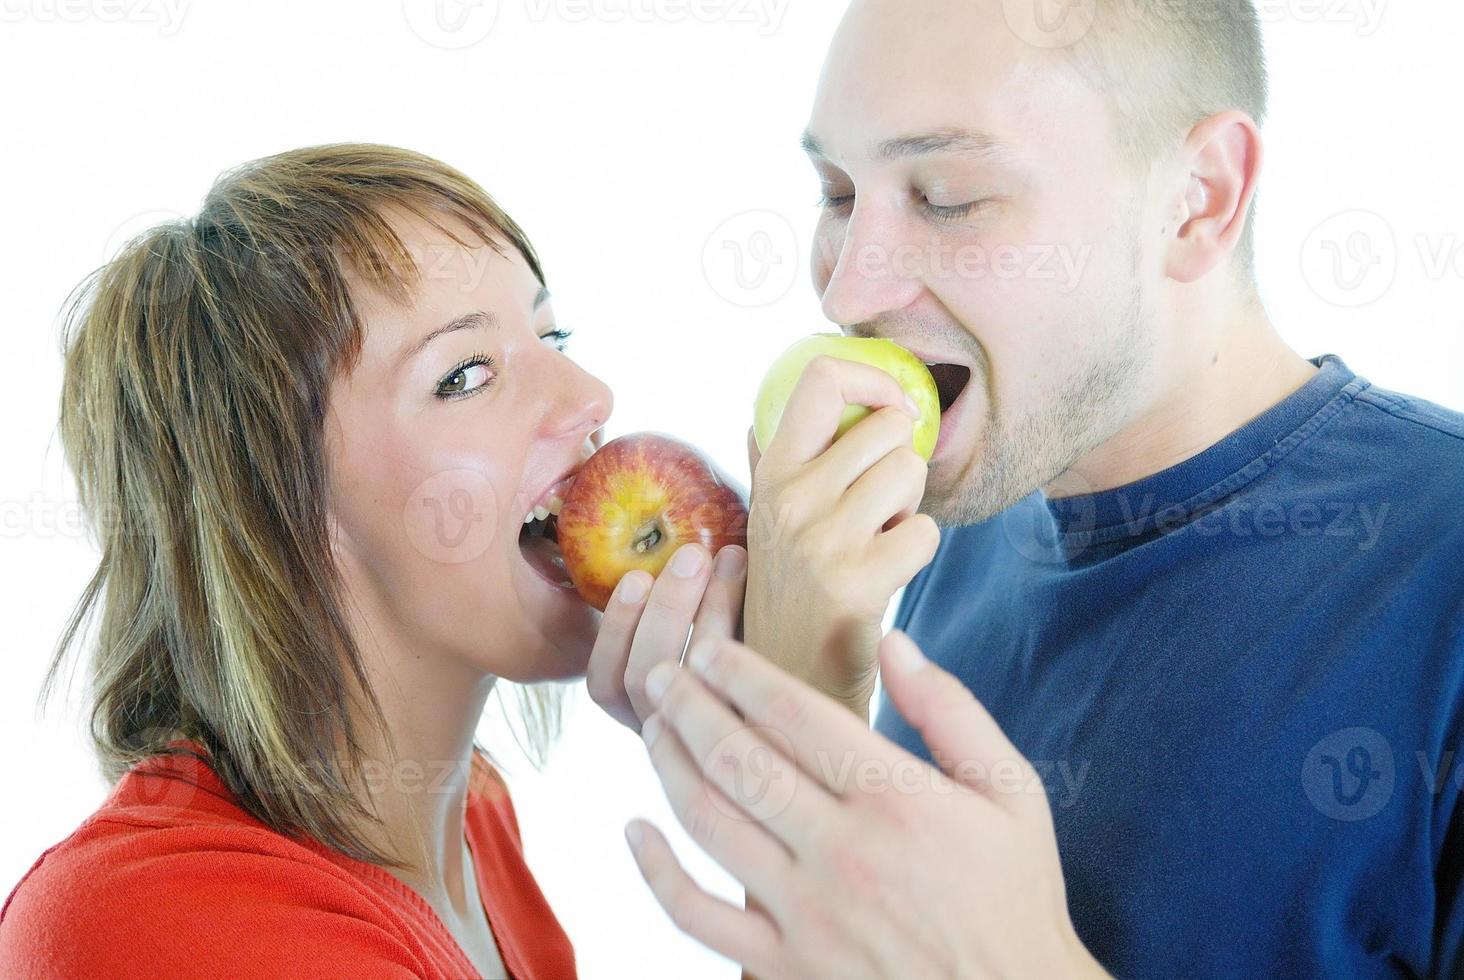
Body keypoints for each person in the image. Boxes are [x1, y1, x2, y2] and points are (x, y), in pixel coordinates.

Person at [616, 1, 1464, 977]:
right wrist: (801, 708)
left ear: (1197, 197)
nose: (847, 292)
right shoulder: (964, 528)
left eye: (947, 195)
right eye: (840, 193)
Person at [0, 143, 749, 979]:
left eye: (552, 334)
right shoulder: (163, 918)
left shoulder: (472, 816)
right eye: (465, 375)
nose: (588, 397)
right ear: (275, 506)